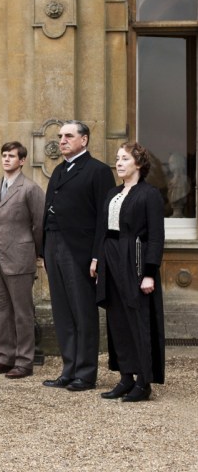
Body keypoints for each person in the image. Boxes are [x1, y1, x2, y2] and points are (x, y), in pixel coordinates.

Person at [42, 120, 115, 391]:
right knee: (62, 312)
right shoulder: (59, 170)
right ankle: (69, 369)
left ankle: (85, 373)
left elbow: (104, 219)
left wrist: (97, 256)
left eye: (69, 136)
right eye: (60, 136)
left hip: (80, 250)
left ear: (83, 140)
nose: (62, 140)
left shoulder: (97, 171)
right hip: (54, 246)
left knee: (83, 312)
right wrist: (44, 250)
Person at [97, 142, 165, 402]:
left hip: (134, 259)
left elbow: (156, 237)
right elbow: (102, 229)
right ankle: (125, 377)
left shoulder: (149, 194)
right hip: (111, 257)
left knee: (138, 319)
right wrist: (98, 259)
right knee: (117, 320)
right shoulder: (113, 193)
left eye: (125, 158)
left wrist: (149, 272)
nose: (119, 163)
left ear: (139, 163)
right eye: (117, 158)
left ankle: (143, 382)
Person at [0, 142, 44, 379]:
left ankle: (24, 360)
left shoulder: (30, 188)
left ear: (22, 161)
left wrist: (36, 252)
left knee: (22, 312)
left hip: (20, 256)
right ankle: (4, 357)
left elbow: (39, 224)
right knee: (0, 311)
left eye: (11, 156)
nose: (6, 159)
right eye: (4, 155)